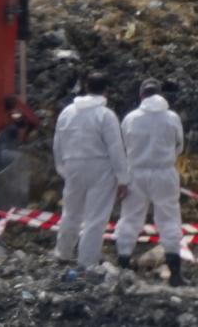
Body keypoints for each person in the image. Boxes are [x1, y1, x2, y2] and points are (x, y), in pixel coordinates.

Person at [114, 78, 187, 286]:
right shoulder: (172, 118)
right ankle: (175, 273)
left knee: (130, 219)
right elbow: (179, 146)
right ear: (160, 95)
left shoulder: (130, 119)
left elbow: (123, 146)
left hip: (135, 173)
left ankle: (123, 267)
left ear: (141, 96)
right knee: (170, 220)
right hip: (164, 174)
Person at [53, 73, 129, 268]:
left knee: (70, 213)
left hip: (73, 166)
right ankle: (87, 261)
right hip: (100, 168)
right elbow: (115, 148)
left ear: (86, 88)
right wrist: (123, 178)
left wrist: (63, 169)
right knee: (95, 218)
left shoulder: (67, 112)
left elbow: (57, 144)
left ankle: (63, 252)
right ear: (106, 91)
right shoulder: (105, 115)